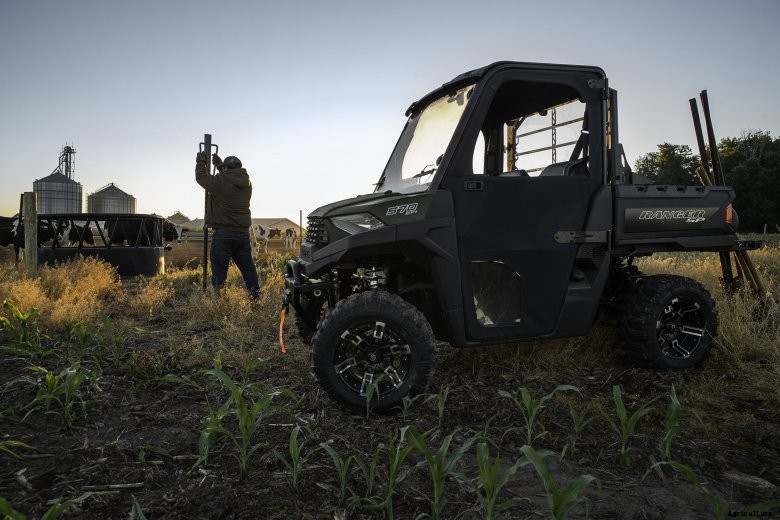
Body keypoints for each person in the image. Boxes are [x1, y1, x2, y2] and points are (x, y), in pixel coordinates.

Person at [195, 151, 261, 299]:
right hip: (243, 235)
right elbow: (230, 180)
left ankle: (220, 304)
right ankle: (255, 298)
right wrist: (220, 165)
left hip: (224, 234)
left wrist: (201, 162)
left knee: (219, 272)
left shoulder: (220, 182)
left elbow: (202, 178)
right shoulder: (247, 184)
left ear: (226, 168)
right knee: (248, 270)